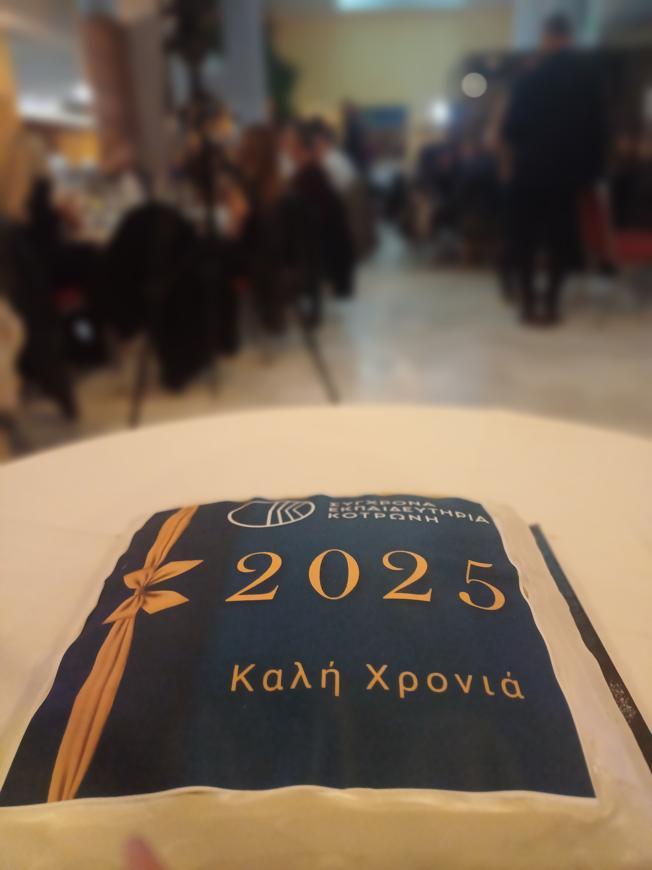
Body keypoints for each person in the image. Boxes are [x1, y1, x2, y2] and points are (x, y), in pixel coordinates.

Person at [502, 12, 606, 325]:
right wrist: (591, 172)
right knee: (561, 238)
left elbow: (511, 129)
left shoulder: (529, 79)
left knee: (525, 238)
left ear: (547, 38)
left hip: (530, 170)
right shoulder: (588, 77)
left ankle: (528, 304)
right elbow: (599, 129)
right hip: (567, 173)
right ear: (569, 38)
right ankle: (551, 303)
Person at [280, 120, 356, 325]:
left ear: (302, 151)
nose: (289, 152)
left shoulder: (311, 174)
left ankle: (308, 306)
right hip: (315, 232)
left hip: (314, 234)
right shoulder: (310, 172)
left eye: (292, 148)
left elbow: (313, 210)